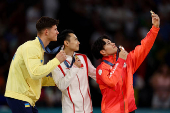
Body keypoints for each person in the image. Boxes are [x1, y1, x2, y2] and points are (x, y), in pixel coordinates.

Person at [91, 12, 160, 113]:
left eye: (111, 41)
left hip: (130, 110)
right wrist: (121, 60)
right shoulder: (101, 69)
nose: (113, 43)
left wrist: (155, 28)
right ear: (103, 51)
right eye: (109, 43)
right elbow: (111, 81)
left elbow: (144, 47)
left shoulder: (127, 60)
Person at [4, 16, 67, 113]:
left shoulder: (38, 49)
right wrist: (56, 60)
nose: (58, 32)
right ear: (46, 32)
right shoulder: (32, 47)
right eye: (55, 29)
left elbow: (37, 78)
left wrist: (60, 80)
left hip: (26, 98)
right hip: (20, 97)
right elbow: (35, 73)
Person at [51, 29, 96, 113]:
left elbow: (97, 75)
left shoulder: (83, 58)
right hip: (70, 110)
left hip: (88, 110)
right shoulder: (56, 64)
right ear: (66, 43)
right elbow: (61, 86)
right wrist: (75, 67)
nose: (78, 42)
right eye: (75, 40)